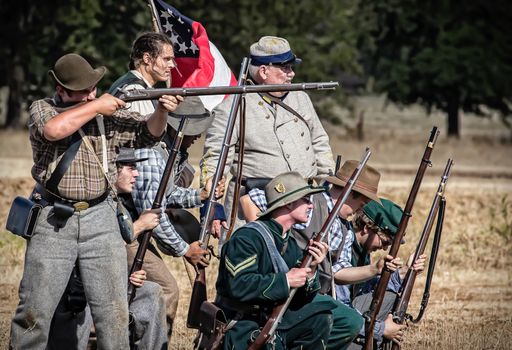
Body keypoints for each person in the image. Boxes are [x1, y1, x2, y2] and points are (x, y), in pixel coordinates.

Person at [9, 53, 182, 349]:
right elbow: (54, 130)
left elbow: (148, 133)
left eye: (92, 89)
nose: (90, 93)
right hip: (54, 219)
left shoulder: (103, 114)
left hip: (101, 217)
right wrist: (97, 105)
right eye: (82, 89)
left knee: (113, 312)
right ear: (61, 90)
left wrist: (162, 112)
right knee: (34, 312)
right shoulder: (44, 109)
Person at [108, 32, 225, 341]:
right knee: (163, 290)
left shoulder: (144, 94)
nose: (173, 66)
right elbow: (151, 198)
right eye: (167, 58)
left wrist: (199, 195)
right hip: (123, 220)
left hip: (127, 216)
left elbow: (163, 192)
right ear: (147, 59)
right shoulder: (138, 97)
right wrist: (185, 249)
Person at [201, 35, 335, 240]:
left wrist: (327, 183)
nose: (292, 73)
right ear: (264, 71)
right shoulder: (234, 106)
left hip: (304, 200)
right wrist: (213, 205)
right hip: (257, 203)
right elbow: (216, 159)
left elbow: (319, 142)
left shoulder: (301, 98)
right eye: (285, 68)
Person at [215, 171, 363, 350]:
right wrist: (285, 280)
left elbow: (301, 295)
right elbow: (238, 285)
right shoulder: (247, 238)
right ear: (289, 202)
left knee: (321, 319)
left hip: (272, 318)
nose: (311, 206)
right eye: (306, 200)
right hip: (243, 323)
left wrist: (312, 269)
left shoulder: (289, 242)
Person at [48, 147, 167, 350]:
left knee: (152, 292)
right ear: (112, 169)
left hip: (111, 283)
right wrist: (139, 226)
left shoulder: (121, 202)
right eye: (130, 168)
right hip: (78, 289)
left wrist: (128, 275)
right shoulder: (84, 204)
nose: (136, 173)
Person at [241, 160, 382, 296]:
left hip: (311, 291)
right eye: (361, 205)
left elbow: (337, 271)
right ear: (349, 193)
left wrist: (374, 269)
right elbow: (248, 200)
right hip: (283, 286)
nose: (359, 212)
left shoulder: (346, 229)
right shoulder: (308, 202)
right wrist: (269, 245)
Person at [333, 199, 427, 349]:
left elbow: (366, 289)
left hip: (346, 319)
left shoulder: (362, 252)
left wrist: (405, 271)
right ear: (366, 228)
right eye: (384, 242)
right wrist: (381, 329)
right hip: (335, 327)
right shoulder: (342, 246)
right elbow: (340, 309)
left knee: (388, 294)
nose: (384, 248)